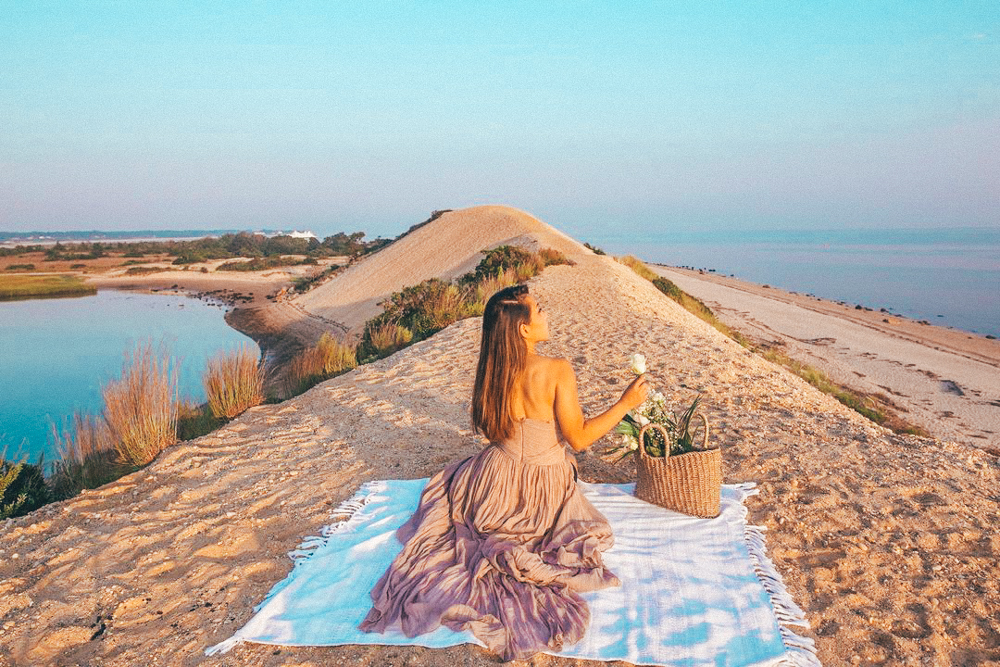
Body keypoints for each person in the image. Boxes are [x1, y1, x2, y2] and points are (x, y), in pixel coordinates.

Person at [359, 283, 649, 660]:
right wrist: (625, 402)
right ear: (524, 329)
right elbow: (578, 438)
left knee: (458, 493)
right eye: (539, 309)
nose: (546, 314)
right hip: (541, 485)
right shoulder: (556, 369)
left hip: (492, 480)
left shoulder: (493, 367)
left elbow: (493, 429)